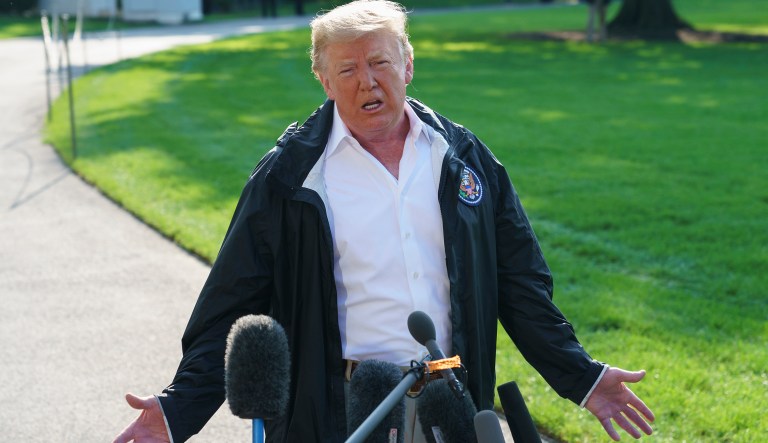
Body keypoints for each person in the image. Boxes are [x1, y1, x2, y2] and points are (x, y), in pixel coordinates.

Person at [114, 1, 654, 442]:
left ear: (408, 65)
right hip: (340, 414)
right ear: (324, 81)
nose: (367, 83)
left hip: (452, 403)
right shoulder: (291, 178)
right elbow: (230, 306)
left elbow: (520, 286)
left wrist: (582, 378)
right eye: (347, 69)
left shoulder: (463, 159)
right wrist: (177, 409)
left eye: (380, 63)